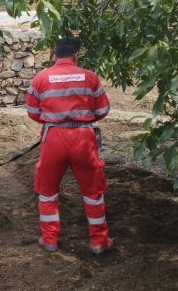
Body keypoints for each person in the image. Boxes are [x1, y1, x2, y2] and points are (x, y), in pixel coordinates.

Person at [25, 37, 113, 254]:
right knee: (93, 191)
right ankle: (99, 242)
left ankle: (50, 239)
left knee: (47, 191)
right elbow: (102, 110)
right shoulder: (90, 77)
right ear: (75, 55)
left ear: (55, 55)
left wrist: (54, 119)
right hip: (83, 137)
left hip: (53, 137)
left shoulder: (41, 78)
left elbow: (32, 112)